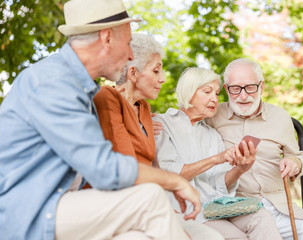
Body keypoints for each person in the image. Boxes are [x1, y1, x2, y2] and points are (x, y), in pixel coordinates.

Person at [0, 0, 202, 239]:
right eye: (127, 44)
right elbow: (105, 168)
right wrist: (176, 182)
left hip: (61, 204)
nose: (130, 56)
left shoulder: (80, 88)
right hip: (29, 212)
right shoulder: (53, 82)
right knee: (150, 197)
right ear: (107, 38)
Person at [93, 33, 224, 240]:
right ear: (133, 74)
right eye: (156, 71)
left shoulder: (144, 108)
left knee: (213, 237)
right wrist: (175, 185)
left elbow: (154, 166)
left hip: (151, 201)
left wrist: (166, 202)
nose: (162, 78)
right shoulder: (107, 98)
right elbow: (127, 167)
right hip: (123, 201)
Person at [205, 58, 303, 240]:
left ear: (261, 87)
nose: (243, 96)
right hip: (235, 209)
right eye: (236, 88)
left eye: (250, 87)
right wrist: (155, 120)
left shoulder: (280, 117)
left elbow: (298, 156)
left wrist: (294, 163)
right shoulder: (212, 115)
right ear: (226, 89)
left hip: (279, 207)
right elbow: (185, 120)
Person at [153, 67, 282, 240]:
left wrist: (241, 169)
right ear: (189, 91)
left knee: (262, 217)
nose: (214, 99)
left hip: (217, 207)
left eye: (216, 93)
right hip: (188, 210)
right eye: (207, 92)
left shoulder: (212, 135)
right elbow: (170, 174)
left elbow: (219, 184)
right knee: (237, 237)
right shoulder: (162, 124)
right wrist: (216, 159)